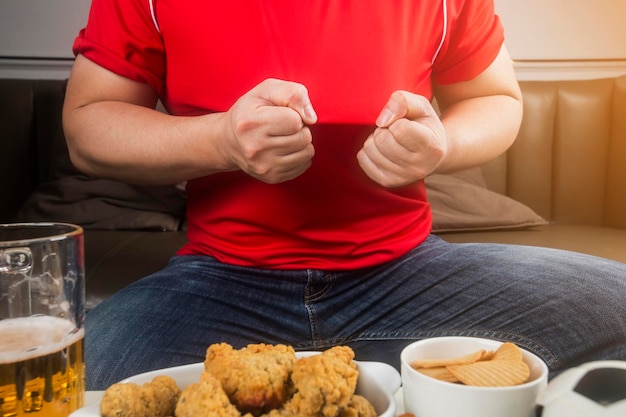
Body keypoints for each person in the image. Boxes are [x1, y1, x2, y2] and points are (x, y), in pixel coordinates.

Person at [63, 1, 626, 390]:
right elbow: (86, 128)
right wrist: (220, 140)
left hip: (407, 274)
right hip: (221, 280)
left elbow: (497, 98)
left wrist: (441, 143)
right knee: (71, 386)